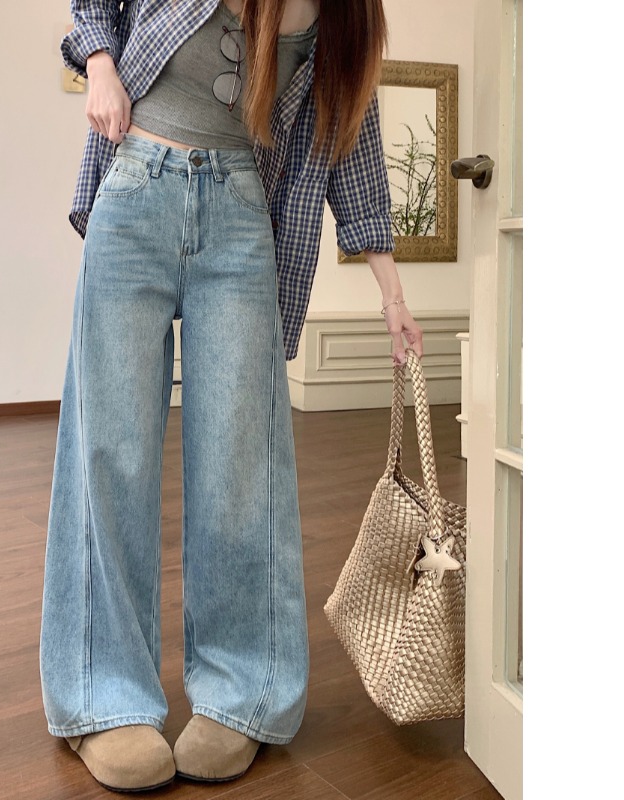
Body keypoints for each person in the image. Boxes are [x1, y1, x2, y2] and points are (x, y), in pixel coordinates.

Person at [40, 0, 423, 792]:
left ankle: (241, 692)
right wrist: (100, 66)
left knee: (242, 465)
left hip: (243, 217)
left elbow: (351, 134)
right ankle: (103, 698)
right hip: (136, 186)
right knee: (109, 453)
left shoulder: (345, 15)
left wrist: (392, 292)